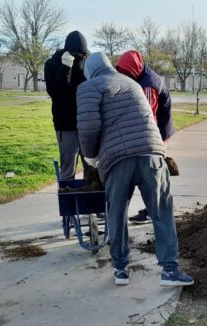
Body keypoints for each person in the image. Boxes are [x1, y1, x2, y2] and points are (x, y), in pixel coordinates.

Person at [77, 52, 194, 287]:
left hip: (118, 159)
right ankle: (170, 271)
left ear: (89, 71)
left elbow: (89, 127)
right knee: (161, 210)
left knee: (117, 213)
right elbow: (149, 115)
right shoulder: (132, 83)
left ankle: (121, 269)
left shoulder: (88, 87)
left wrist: (90, 158)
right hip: (151, 152)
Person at [116, 50, 175, 225]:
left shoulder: (149, 84)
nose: (123, 76)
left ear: (133, 70)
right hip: (154, 129)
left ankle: (152, 210)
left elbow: (148, 117)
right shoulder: (141, 77)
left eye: (125, 73)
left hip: (158, 131)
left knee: (153, 173)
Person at [44, 31, 91, 181]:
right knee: (68, 167)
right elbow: (57, 92)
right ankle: (68, 201)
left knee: (91, 167)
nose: (80, 58)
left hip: (86, 122)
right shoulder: (53, 64)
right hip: (65, 123)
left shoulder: (87, 63)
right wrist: (65, 68)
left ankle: (90, 202)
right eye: (77, 55)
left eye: (82, 55)